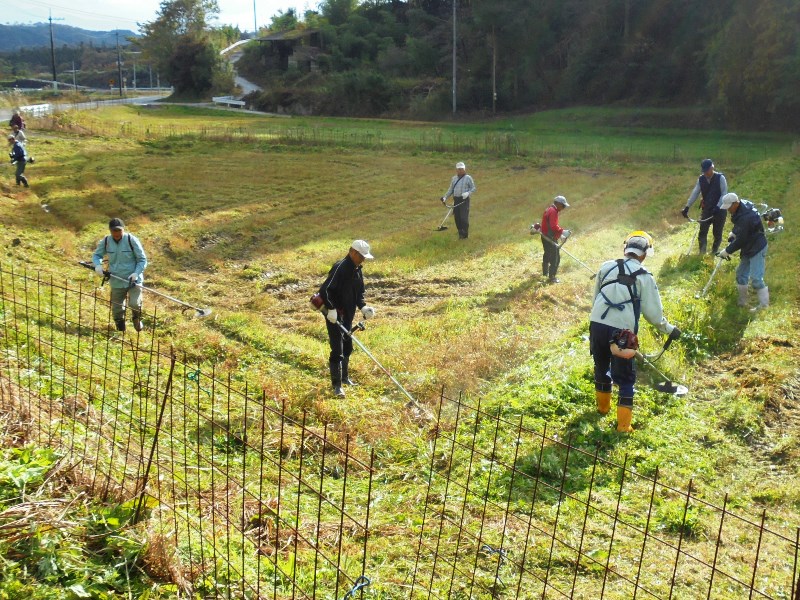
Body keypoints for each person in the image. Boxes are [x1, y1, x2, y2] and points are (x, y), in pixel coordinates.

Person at [589, 231, 681, 432]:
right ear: (645, 254)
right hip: (622, 333)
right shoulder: (644, 276)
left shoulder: (605, 267)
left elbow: (596, 298)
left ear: (626, 249)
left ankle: (602, 408)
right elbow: (654, 315)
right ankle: (623, 427)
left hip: (596, 324)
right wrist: (670, 330)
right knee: (625, 378)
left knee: (601, 366)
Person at [318, 240, 377, 397]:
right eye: (361, 256)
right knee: (337, 349)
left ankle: (344, 378)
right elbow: (325, 290)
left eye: (365, 257)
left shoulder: (357, 269)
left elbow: (359, 293)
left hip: (348, 315)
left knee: (347, 346)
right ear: (352, 252)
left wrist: (363, 306)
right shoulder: (340, 268)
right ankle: (337, 386)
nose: (363, 259)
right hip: (335, 315)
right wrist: (330, 309)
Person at [91, 218, 148, 332]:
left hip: (133, 279)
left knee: (134, 304)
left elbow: (142, 259)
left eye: (119, 231)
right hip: (116, 279)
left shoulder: (132, 240)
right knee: (117, 307)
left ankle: (136, 318)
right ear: (110, 231)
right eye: (114, 232)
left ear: (123, 230)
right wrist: (98, 265)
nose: (117, 234)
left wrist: (136, 273)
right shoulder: (106, 241)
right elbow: (97, 255)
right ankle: (120, 329)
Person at [716, 193, 769, 309]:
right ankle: (742, 302)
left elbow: (742, 240)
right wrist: (734, 232)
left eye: (729, 207)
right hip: (748, 246)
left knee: (756, 278)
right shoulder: (741, 209)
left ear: (736, 203)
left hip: (757, 247)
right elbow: (740, 226)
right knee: (741, 275)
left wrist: (727, 251)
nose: (728, 209)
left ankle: (764, 306)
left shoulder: (746, 216)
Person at [681, 158, 728, 254]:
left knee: (717, 233)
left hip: (720, 210)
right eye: (704, 171)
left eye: (707, 171)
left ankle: (714, 253)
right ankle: (702, 254)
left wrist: (718, 206)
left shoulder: (721, 178)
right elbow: (695, 193)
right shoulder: (701, 179)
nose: (706, 173)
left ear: (712, 168)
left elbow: (724, 194)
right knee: (702, 232)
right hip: (707, 209)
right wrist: (687, 207)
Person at [440, 161, 476, 239]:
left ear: (464, 169)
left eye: (462, 169)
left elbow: (473, 188)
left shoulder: (468, 178)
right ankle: (460, 233)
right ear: (456, 170)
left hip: (464, 200)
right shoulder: (454, 178)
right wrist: (445, 197)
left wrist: (467, 193)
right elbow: (451, 190)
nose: (460, 170)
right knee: (457, 218)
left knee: (464, 218)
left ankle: (465, 234)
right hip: (456, 199)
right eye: (459, 169)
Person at [540, 195, 571, 283]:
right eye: (563, 205)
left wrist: (560, 235)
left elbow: (548, 225)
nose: (564, 207)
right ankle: (552, 277)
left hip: (544, 236)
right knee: (555, 257)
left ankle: (545, 273)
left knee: (547, 254)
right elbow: (553, 226)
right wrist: (562, 231)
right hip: (550, 237)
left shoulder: (549, 209)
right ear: (557, 203)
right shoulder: (553, 211)